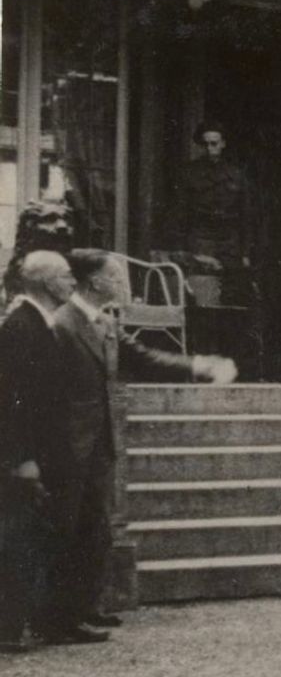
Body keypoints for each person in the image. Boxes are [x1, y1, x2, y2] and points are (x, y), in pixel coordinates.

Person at [39, 249, 235, 644]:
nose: (122, 284)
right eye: (115, 276)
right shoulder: (61, 325)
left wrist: (196, 366)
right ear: (94, 282)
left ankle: (86, 607)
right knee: (72, 529)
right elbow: (43, 396)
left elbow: (144, 358)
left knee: (97, 528)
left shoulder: (106, 323)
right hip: (69, 448)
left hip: (99, 443)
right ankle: (61, 619)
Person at [0, 251, 76, 652]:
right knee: (17, 541)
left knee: (31, 540)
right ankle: (8, 629)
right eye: (65, 276)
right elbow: (13, 401)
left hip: (43, 454)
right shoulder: (21, 328)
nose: (71, 282)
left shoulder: (39, 324)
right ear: (46, 283)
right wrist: (23, 460)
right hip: (26, 460)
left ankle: (29, 622)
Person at [170, 121, 258, 307]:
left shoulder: (237, 174)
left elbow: (246, 215)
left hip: (230, 241)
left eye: (214, 143)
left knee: (231, 294)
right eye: (206, 144)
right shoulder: (190, 173)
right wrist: (180, 246)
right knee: (204, 292)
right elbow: (180, 212)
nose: (210, 149)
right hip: (202, 237)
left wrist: (246, 251)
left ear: (223, 144)